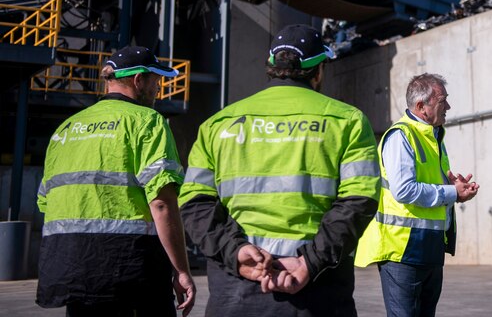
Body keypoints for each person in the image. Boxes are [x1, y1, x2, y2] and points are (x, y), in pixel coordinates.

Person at [178, 24, 380, 316]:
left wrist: (235, 253)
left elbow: (195, 204)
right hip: (317, 291)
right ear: (319, 70)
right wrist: (309, 262)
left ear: (271, 67)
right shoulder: (347, 121)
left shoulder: (217, 124)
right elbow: (359, 201)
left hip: (237, 287)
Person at [37, 46, 196, 316]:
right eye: (156, 80)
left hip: (70, 266)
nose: (158, 89)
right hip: (130, 268)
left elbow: (45, 201)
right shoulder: (147, 122)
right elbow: (162, 204)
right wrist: (182, 270)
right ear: (138, 80)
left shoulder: (65, 129)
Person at [355, 73, 479, 317]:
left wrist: (454, 187)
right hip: (403, 251)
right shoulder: (401, 136)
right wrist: (451, 192)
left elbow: (427, 183)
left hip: (428, 247)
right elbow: (404, 190)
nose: (449, 107)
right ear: (422, 107)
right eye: (443, 101)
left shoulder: (433, 138)